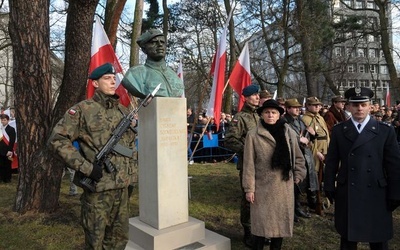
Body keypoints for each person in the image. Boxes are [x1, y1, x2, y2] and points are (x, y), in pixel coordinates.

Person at [48, 63, 137, 250]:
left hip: (122, 188)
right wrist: (86, 167)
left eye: (114, 78)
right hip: (98, 190)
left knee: (119, 241)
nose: (113, 80)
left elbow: (130, 148)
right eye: (107, 78)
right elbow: (56, 140)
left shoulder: (123, 111)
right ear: (95, 83)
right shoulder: (82, 110)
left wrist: (132, 177)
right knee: (95, 242)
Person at [324, 86, 400, 250]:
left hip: (377, 192)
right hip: (348, 191)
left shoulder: (385, 131)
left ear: (370, 106)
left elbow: (394, 166)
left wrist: (396, 192)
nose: (359, 108)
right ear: (348, 106)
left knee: (378, 239)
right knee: (348, 239)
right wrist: (329, 186)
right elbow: (331, 161)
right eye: (355, 105)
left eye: (363, 104)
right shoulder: (339, 130)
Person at [242, 99, 306, 250]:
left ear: (279, 115)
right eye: (267, 112)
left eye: (274, 112)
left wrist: (298, 175)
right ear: (261, 115)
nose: (270, 115)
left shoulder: (288, 132)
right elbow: (248, 164)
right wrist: (249, 189)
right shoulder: (253, 135)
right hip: (262, 188)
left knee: (279, 228)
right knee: (260, 228)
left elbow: (298, 157)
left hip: (283, 187)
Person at [224, 84, 260, 247]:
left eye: (258, 95)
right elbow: (230, 140)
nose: (257, 97)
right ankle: (248, 232)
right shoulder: (241, 117)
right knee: (248, 198)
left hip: (262, 164)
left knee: (260, 197)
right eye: (254, 95)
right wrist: (247, 150)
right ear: (246, 97)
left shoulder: (259, 116)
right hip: (247, 164)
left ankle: (259, 229)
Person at [282, 98, 318, 222]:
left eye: (298, 107)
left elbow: (307, 136)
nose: (298, 109)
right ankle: (290, 211)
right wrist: (298, 139)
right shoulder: (284, 121)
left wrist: (312, 134)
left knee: (300, 182)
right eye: (294, 107)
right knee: (291, 184)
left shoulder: (300, 120)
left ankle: (297, 207)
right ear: (287, 109)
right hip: (291, 154)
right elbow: (284, 138)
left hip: (303, 154)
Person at [122, 29, 184, 98]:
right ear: (144, 49)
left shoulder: (174, 76)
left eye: (162, 42)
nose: (160, 44)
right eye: (154, 42)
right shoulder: (134, 74)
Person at [301, 97, 330, 214]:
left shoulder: (320, 117)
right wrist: (316, 151)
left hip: (325, 148)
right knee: (313, 174)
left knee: (322, 175)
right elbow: (308, 138)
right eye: (314, 105)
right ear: (308, 106)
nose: (317, 107)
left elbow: (326, 133)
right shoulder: (306, 119)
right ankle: (313, 200)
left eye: (318, 105)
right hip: (314, 149)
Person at [0, 114, 16, 183]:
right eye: (2, 120)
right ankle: (1, 178)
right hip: (0, 149)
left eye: (4, 120)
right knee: (0, 164)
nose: (3, 121)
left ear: (8, 120)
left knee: (7, 164)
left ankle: (7, 178)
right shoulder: (0, 129)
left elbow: (12, 140)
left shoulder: (11, 129)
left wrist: (10, 150)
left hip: (7, 150)